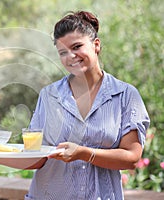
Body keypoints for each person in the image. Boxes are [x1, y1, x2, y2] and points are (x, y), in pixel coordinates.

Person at [25, 11, 150, 200]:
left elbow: (132, 158)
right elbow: (35, 156)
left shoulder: (125, 95)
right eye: (63, 53)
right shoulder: (49, 95)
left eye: (77, 47)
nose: (71, 56)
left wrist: (84, 153)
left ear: (96, 45)